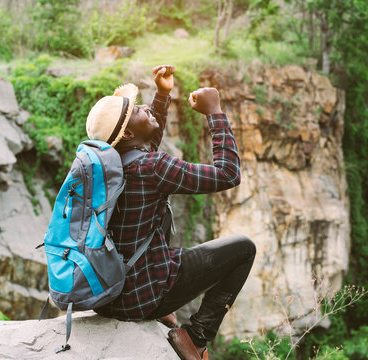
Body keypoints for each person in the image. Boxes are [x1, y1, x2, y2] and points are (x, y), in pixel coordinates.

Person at [86, 65, 256, 360]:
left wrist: (162, 94)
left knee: (161, 241)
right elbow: (228, 174)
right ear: (127, 132)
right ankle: (197, 337)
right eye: (136, 111)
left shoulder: (106, 163)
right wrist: (214, 111)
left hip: (107, 296)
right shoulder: (154, 167)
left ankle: (163, 310)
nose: (143, 109)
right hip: (144, 297)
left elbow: (144, 143)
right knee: (244, 249)